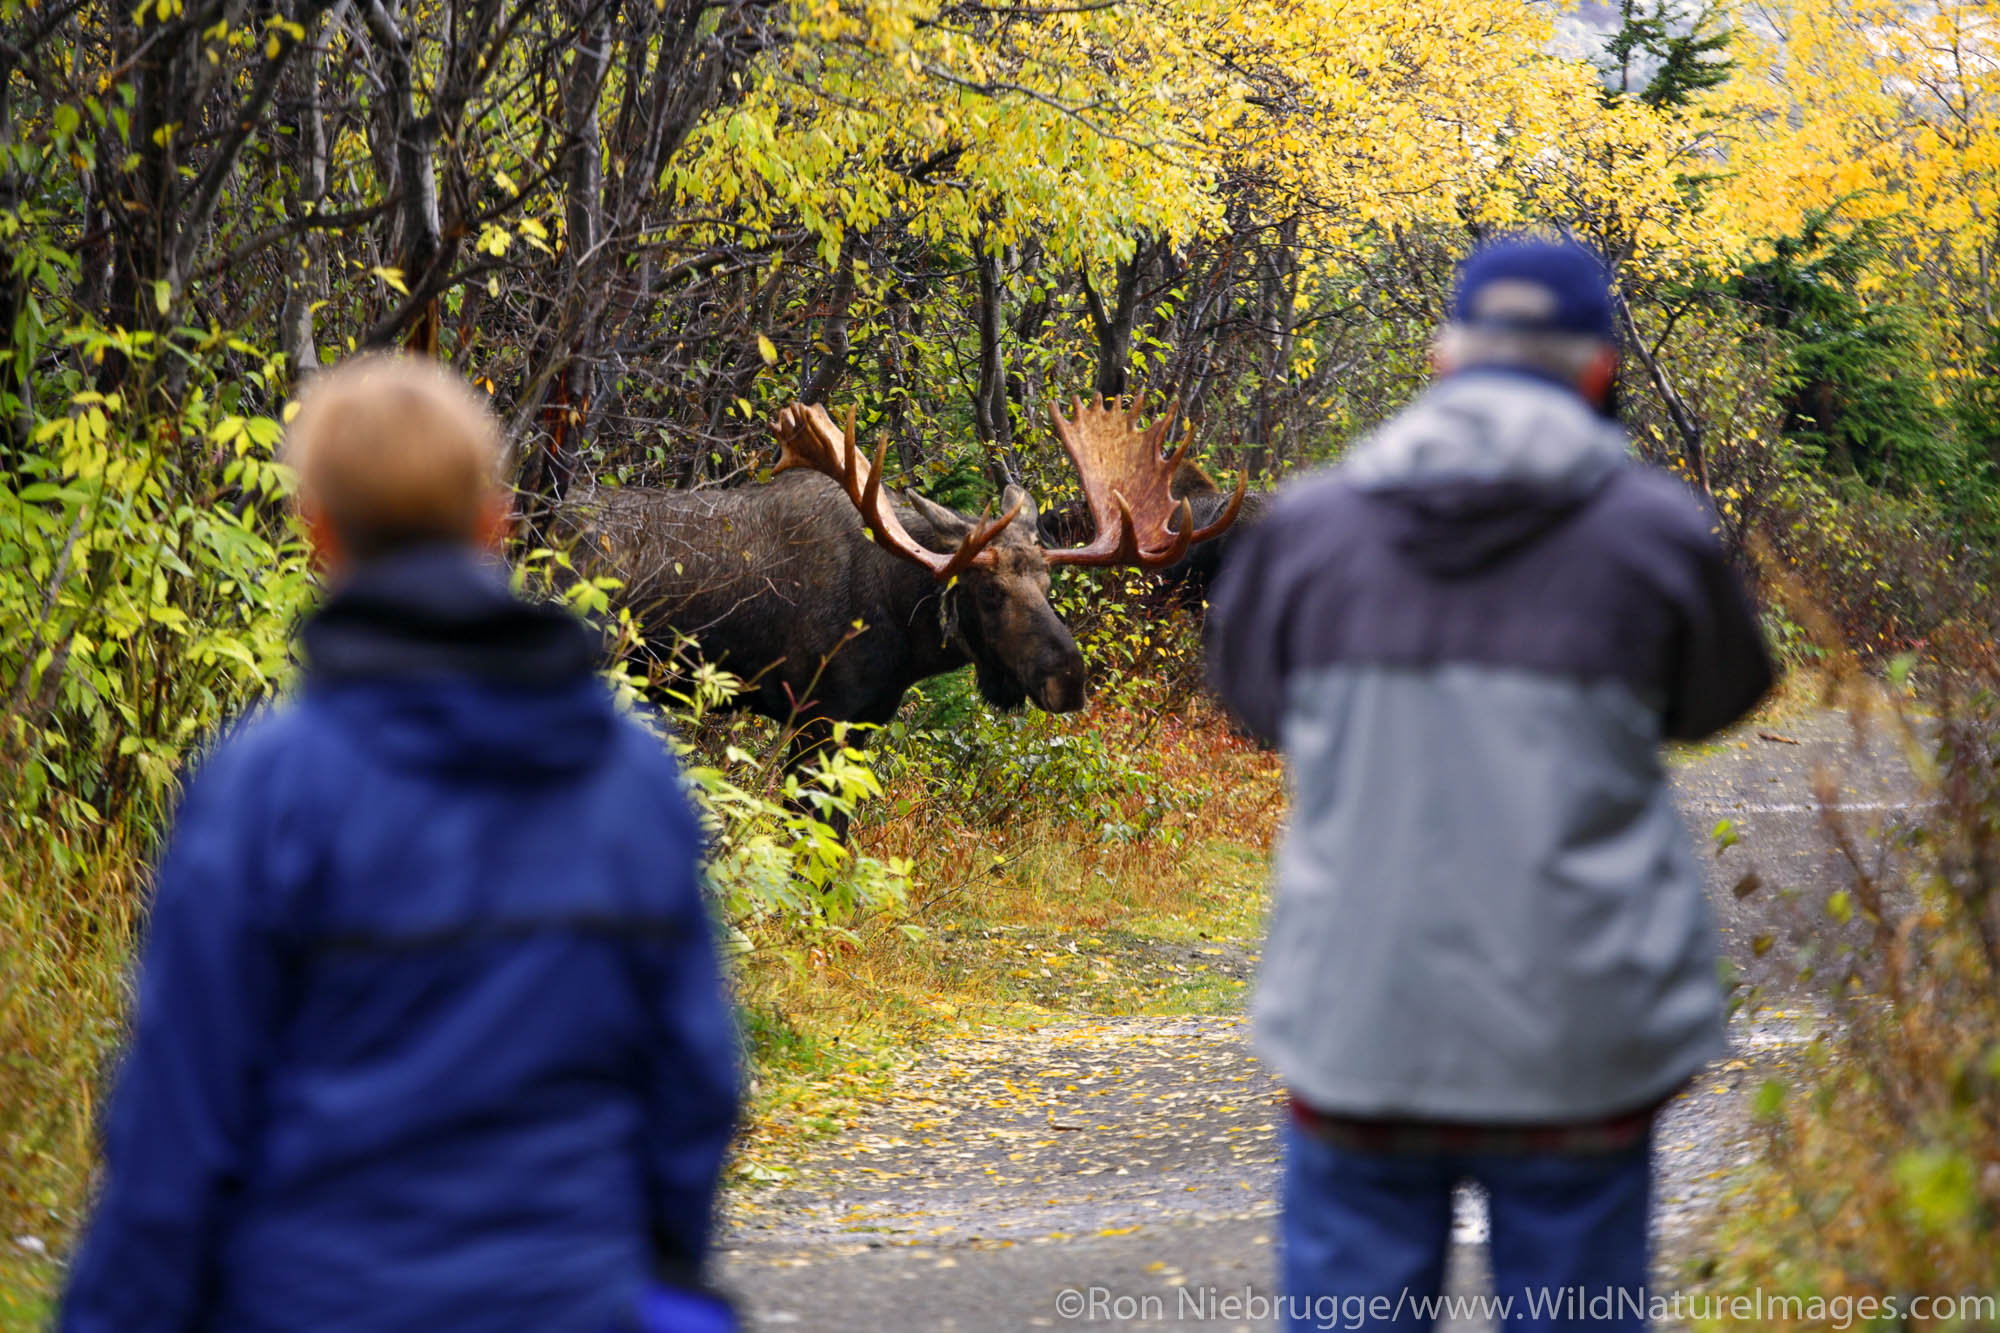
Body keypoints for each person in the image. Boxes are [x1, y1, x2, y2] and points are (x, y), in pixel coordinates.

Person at [60, 355, 740, 1333]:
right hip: (566, 1302)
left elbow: (177, 1126)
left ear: (316, 532)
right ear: (495, 520)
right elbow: (694, 1080)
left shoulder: (262, 787)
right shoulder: (629, 777)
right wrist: (650, 1260)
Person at [1207, 236, 1773, 1330]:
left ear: (1442, 359)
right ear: (1599, 371)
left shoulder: (1308, 529)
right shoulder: (1651, 533)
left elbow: (1254, 708)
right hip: (1576, 1039)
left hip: (1360, 1024)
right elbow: (1716, 699)